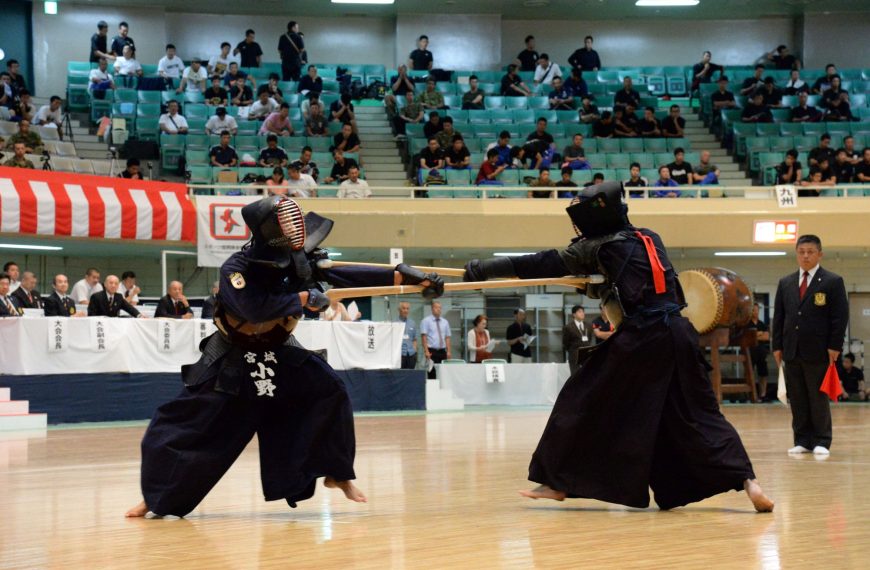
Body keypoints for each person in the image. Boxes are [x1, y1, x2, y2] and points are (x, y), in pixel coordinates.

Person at [462, 181, 774, 512]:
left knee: (581, 399)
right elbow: (629, 282)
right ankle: (748, 481)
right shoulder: (650, 238)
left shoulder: (594, 248)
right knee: (700, 414)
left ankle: (558, 481)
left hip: (644, 335)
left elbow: (540, 263)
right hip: (681, 333)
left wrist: (482, 269)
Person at [125, 196, 444, 518]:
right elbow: (252, 308)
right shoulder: (236, 269)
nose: (297, 227)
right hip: (234, 356)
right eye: (288, 222)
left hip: (279, 350)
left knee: (330, 390)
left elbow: (345, 274)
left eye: (296, 221)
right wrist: (302, 298)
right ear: (270, 230)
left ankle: (338, 473)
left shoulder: (297, 259)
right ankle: (156, 498)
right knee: (178, 421)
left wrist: (404, 278)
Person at [772, 234, 848, 456]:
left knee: (817, 397)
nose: (805, 256)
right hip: (791, 349)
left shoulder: (833, 281)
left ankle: (822, 440)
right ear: (797, 253)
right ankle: (802, 439)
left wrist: (835, 346)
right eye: (801, 252)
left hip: (819, 350)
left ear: (819, 254)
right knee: (797, 397)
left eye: (810, 252)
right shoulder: (786, 282)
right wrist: (777, 346)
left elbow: (839, 317)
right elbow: (780, 317)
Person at [748, 303, 773, 401]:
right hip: (750, 352)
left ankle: (763, 394)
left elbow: (766, 336)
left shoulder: (761, 324)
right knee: (750, 373)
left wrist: (756, 335)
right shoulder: (747, 324)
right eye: (754, 310)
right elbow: (748, 337)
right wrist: (758, 335)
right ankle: (751, 395)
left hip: (761, 352)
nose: (756, 312)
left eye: (757, 310)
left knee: (763, 373)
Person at [420, 301, 451, 379]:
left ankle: (442, 390)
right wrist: (426, 351)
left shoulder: (445, 322)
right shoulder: (426, 321)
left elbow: (447, 337)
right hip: (431, 351)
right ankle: (432, 390)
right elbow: (424, 337)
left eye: (440, 308)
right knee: (431, 373)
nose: (438, 309)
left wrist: (449, 351)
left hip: (442, 351)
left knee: (443, 374)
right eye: (436, 307)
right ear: (432, 309)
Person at [562, 305, 592, 375]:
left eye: (583, 312)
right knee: (575, 376)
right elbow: (565, 343)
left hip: (586, 355)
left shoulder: (588, 325)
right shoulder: (568, 327)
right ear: (574, 314)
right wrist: (573, 350)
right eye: (579, 312)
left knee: (587, 375)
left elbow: (589, 339)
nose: (582, 313)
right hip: (574, 355)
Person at [397, 301, 418, 370]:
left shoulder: (412, 323)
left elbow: (414, 339)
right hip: (400, 355)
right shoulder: (394, 323)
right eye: (403, 308)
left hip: (411, 354)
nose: (406, 310)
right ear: (399, 310)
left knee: (411, 377)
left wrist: (414, 351)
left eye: (407, 308)